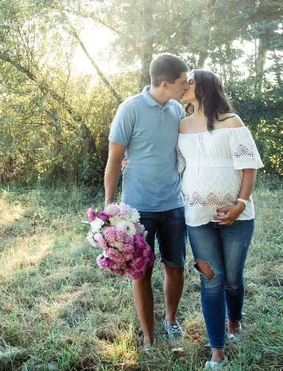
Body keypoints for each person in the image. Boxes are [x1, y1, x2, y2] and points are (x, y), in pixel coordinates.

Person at [177, 70, 263, 370]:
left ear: (205, 87)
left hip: (237, 217)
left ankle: (235, 321)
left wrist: (240, 205)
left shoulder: (232, 122)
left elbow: (249, 166)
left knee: (232, 279)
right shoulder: (181, 126)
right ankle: (217, 350)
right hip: (197, 217)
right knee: (211, 280)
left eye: (190, 82)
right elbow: (173, 164)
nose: (185, 86)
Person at [105, 53, 190, 352]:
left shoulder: (178, 109)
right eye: (182, 82)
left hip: (174, 204)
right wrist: (109, 206)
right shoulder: (130, 109)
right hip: (137, 210)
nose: (186, 85)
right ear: (165, 83)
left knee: (176, 267)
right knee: (141, 271)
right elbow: (114, 160)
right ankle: (148, 335)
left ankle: (170, 320)